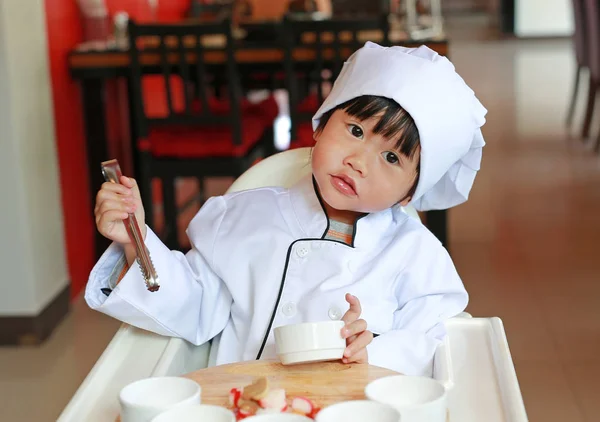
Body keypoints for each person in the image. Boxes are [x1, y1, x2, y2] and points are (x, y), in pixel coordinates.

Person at [86, 41, 487, 376]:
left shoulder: (416, 256)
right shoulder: (240, 218)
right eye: (356, 131)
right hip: (237, 407)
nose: (359, 161)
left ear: (410, 194)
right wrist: (135, 240)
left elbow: (434, 342)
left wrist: (373, 351)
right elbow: (194, 307)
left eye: (392, 158)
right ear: (319, 125)